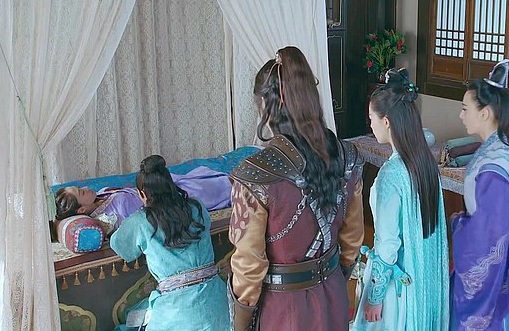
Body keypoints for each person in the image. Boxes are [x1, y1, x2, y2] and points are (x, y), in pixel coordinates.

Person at [228, 46, 365, 331]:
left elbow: (248, 268)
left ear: (266, 104)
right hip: (333, 297)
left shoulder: (255, 175)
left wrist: (240, 325)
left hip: (282, 310)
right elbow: (352, 241)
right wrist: (331, 279)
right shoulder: (347, 156)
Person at [352, 68, 450, 331]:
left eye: (371, 118)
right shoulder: (425, 162)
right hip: (424, 277)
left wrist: (375, 297)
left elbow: (388, 243)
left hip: (399, 285)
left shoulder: (391, 175)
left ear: (386, 121)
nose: (370, 125)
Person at [109, 155, 231, 331]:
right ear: (171, 184)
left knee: (129, 323)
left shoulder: (141, 221)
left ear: (142, 194)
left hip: (176, 312)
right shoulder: (197, 207)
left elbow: (120, 246)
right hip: (218, 305)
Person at [451, 59, 509, 331]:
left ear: (484, 113)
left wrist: (460, 224)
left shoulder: (493, 165)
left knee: (492, 319)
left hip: (498, 253)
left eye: (465, 109)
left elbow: (487, 232)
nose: (461, 115)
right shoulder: (505, 145)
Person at [55, 165, 232, 233]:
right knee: (204, 190)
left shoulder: (100, 195)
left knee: (197, 178)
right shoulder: (110, 218)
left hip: (159, 186)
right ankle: (232, 187)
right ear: (82, 210)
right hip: (165, 199)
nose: (86, 188)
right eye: (82, 192)